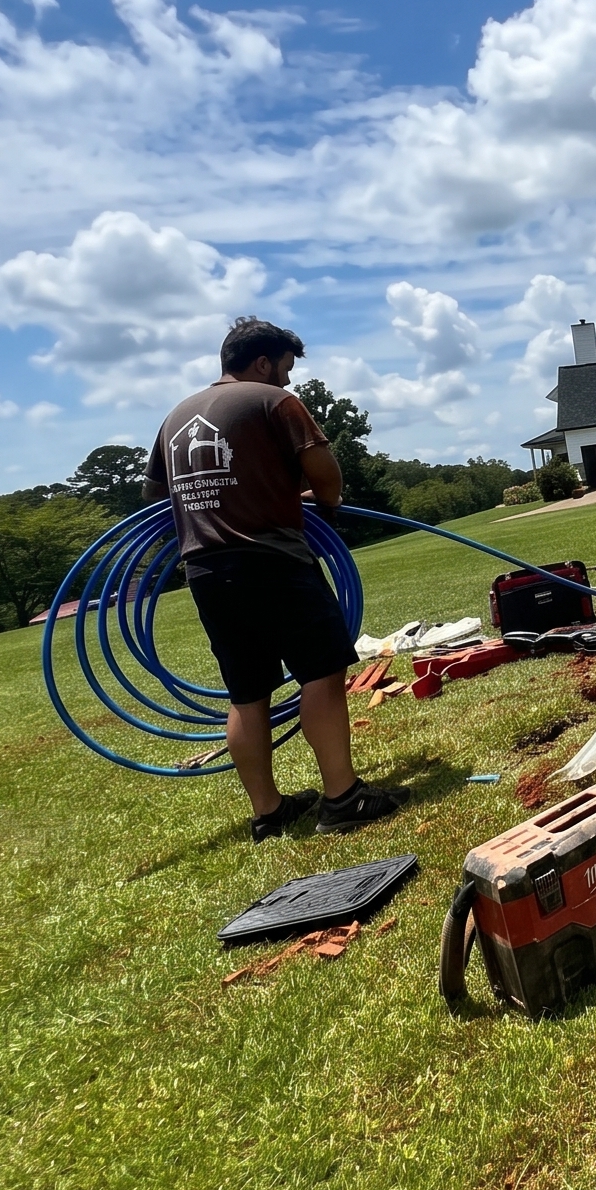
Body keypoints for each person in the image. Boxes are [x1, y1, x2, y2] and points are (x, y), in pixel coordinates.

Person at [146, 317, 404, 841]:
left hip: (207, 570)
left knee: (247, 691)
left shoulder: (175, 417)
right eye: (284, 369)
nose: (287, 381)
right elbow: (325, 475)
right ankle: (343, 798)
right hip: (273, 561)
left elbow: (156, 499)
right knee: (322, 672)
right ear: (262, 362)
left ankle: (269, 813)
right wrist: (322, 503)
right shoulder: (272, 401)